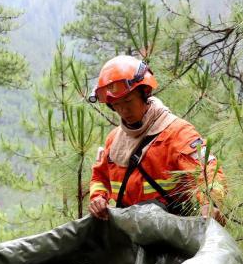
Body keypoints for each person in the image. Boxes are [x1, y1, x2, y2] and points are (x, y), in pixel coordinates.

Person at [88, 55, 225, 222]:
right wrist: (98, 197)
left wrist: (210, 203)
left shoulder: (178, 133)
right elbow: (99, 177)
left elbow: (208, 170)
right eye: (116, 105)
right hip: (129, 231)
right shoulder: (114, 140)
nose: (123, 110)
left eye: (128, 101)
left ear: (144, 93)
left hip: (172, 230)